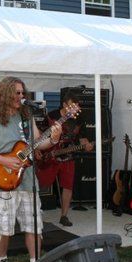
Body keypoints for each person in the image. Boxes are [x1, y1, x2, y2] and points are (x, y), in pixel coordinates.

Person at [0, 76, 62, 262]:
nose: (21, 96)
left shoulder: (26, 117)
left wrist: (54, 139)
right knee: (4, 226)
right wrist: (4, 161)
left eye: (23, 92)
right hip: (4, 180)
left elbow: (38, 143)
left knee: (34, 225)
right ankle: (2, 261)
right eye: (17, 92)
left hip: (28, 180)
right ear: (5, 94)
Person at [36, 92, 94, 227]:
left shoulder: (79, 119)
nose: (74, 110)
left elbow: (82, 138)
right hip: (50, 155)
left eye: (76, 107)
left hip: (68, 156)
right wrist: (37, 149)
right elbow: (40, 134)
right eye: (71, 106)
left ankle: (64, 216)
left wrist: (87, 145)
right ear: (64, 104)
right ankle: (34, 212)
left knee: (68, 186)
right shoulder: (52, 116)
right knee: (42, 183)